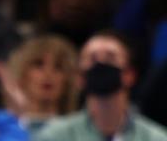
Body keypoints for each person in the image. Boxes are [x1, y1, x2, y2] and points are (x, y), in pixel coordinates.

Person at [36, 32, 167, 141]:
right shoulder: (54, 136)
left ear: (129, 75)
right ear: (80, 77)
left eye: (111, 57)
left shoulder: (156, 138)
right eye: (92, 59)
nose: (101, 63)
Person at [0, 35, 78, 135]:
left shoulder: (76, 133)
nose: (48, 73)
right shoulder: (0, 130)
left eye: (58, 67)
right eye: (38, 64)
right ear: (21, 73)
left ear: (67, 81)